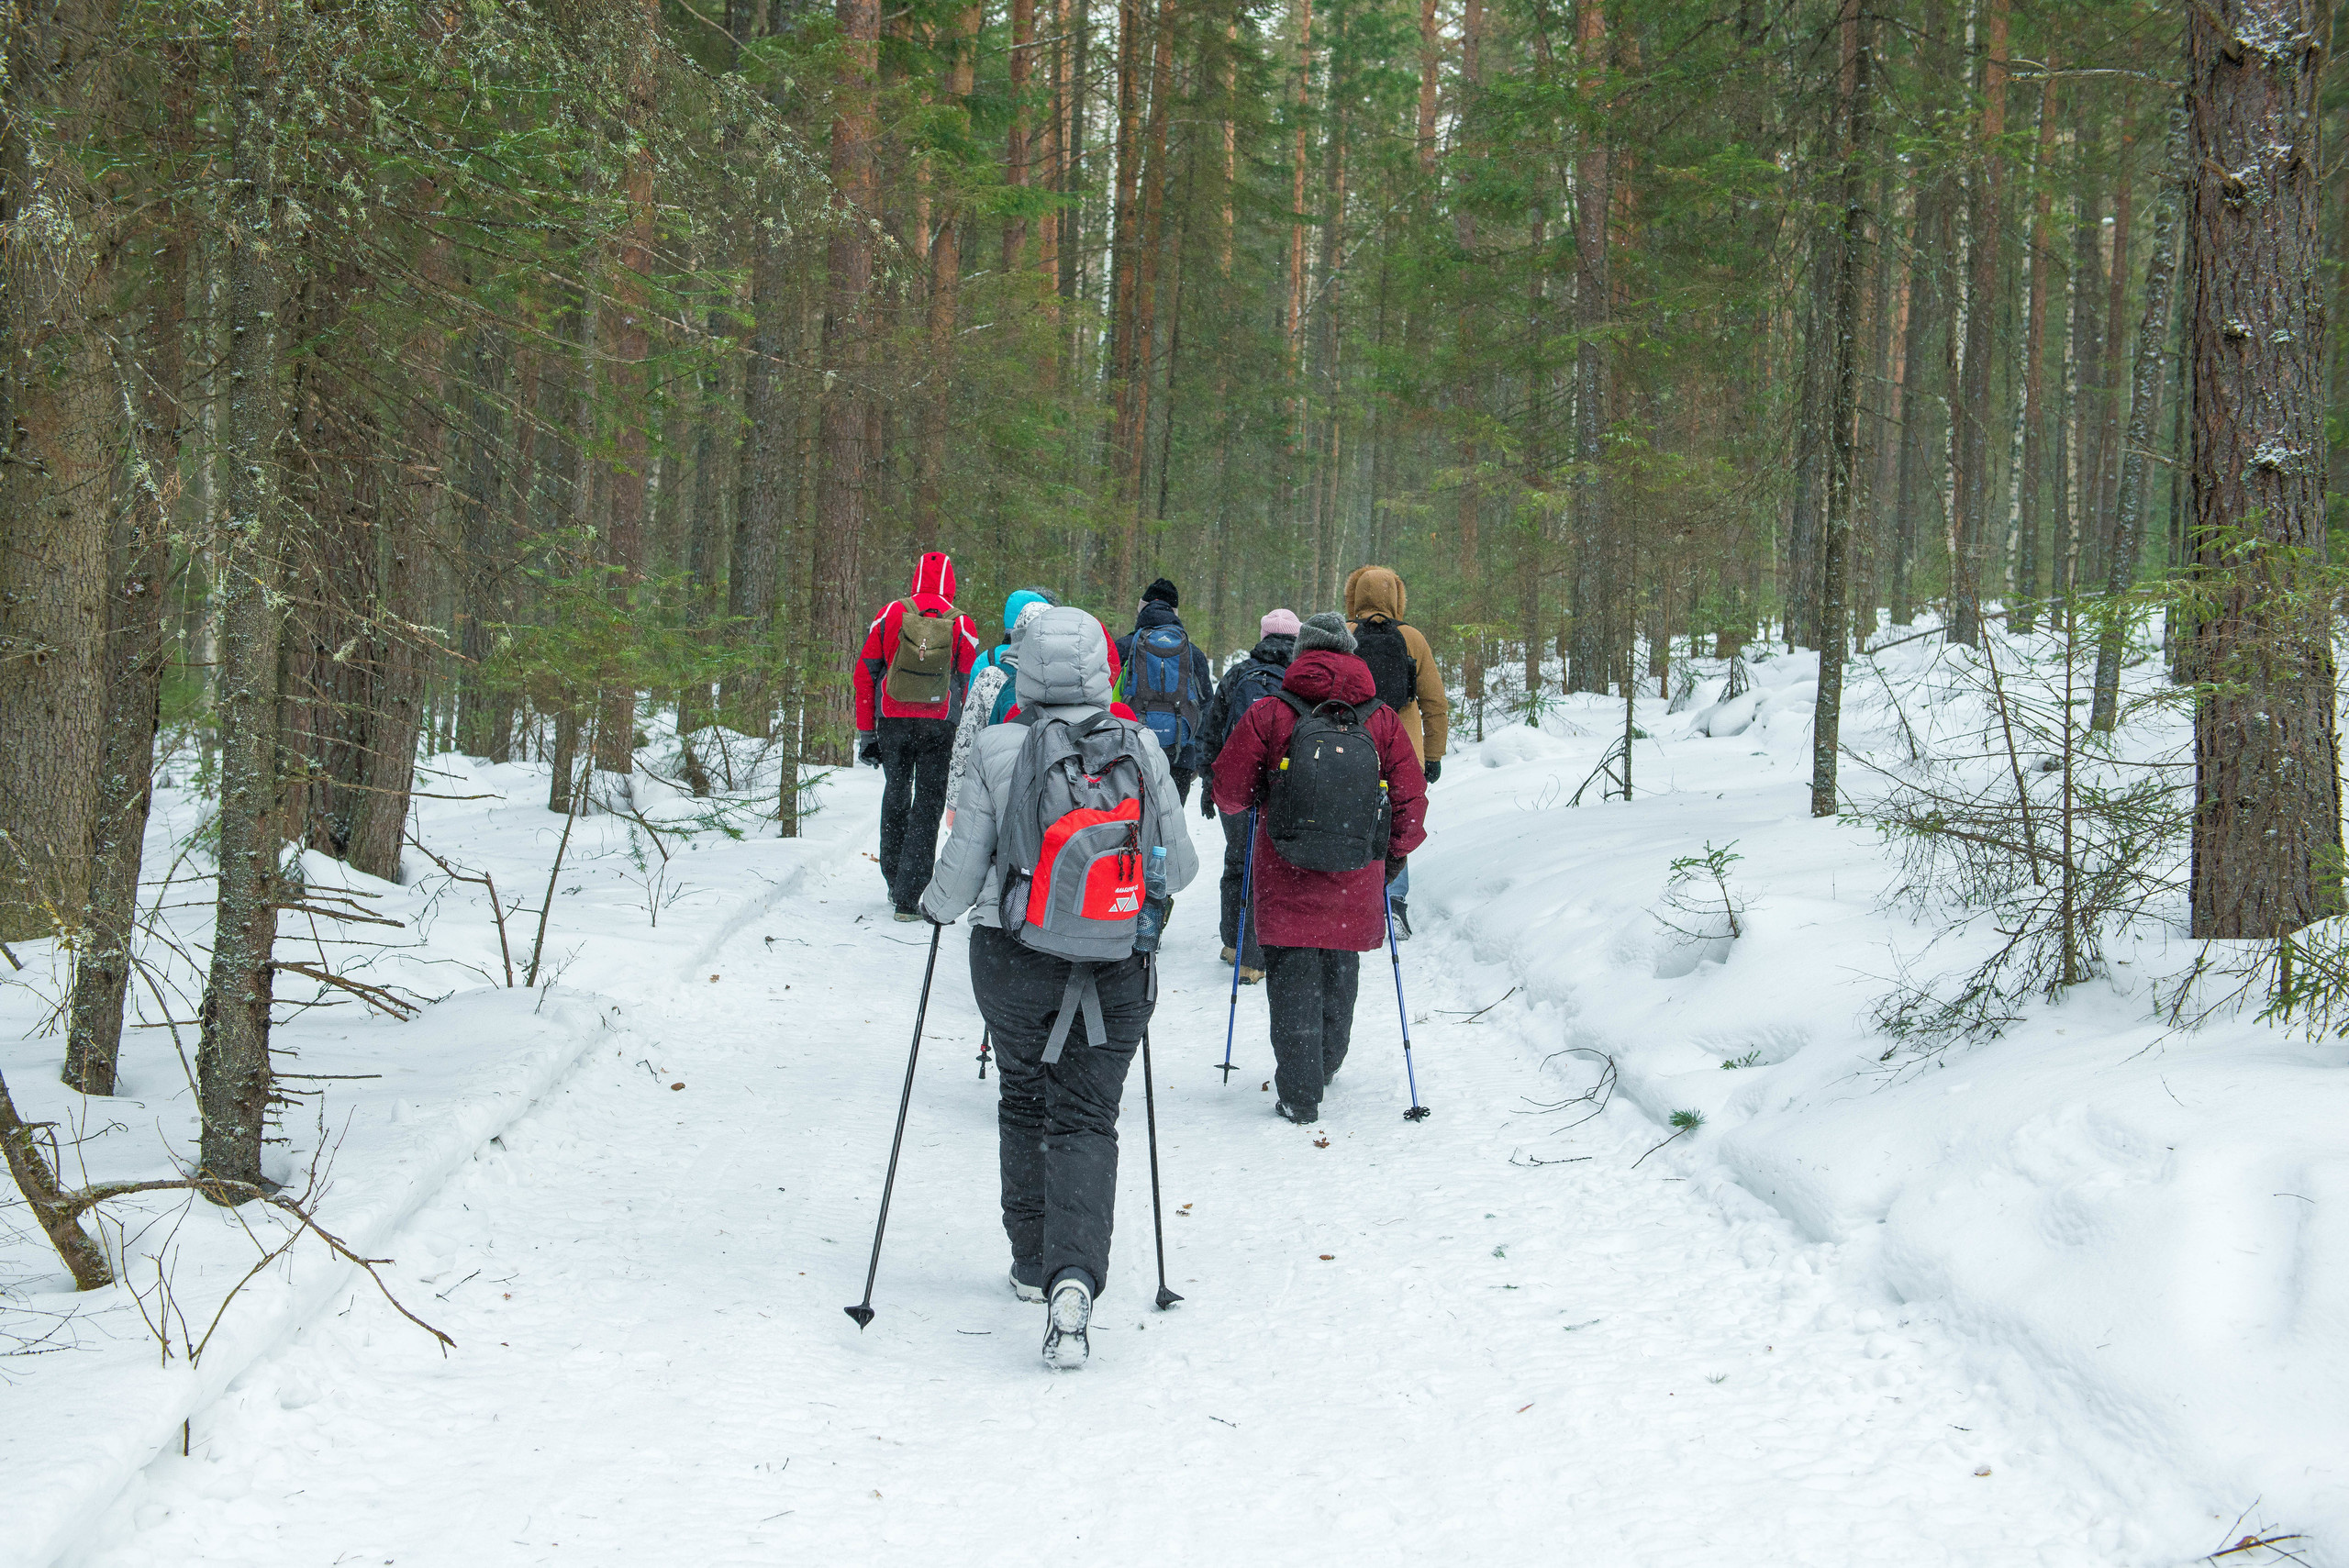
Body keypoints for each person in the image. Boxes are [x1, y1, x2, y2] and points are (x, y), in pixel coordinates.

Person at [919, 606, 1198, 1370]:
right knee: (1086, 1116)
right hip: (1115, 964)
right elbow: (1185, 864)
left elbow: (965, 867)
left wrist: (934, 905)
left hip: (1014, 959)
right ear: (1104, 668)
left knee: (1022, 1096)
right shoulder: (1139, 745)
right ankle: (1073, 1279)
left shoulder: (999, 746)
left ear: (1026, 669)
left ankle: (1029, 1259)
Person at [1211, 613, 1426, 1126]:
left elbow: (1229, 790)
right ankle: (1326, 1063)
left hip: (1285, 867)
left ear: (1300, 653)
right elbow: (1410, 798)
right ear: (1351, 654)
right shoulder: (1380, 719)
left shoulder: (1272, 712)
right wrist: (1393, 855)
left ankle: (1301, 1093)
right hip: (1356, 872)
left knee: (1291, 973)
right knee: (1339, 961)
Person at [853, 552, 980, 919]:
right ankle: (910, 896)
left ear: (917, 576)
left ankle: (893, 880)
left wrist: (866, 731)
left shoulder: (890, 614)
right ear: (950, 582)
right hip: (939, 725)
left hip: (892, 719)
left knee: (896, 791)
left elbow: (866, 674)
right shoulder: (962, 624)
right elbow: (967, 682)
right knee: (927, 803)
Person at [1343, 565, 1451, 939]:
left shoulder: (1347, 634)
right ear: (1397, 597)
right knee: (1398, 822)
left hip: (1355, 743)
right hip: (1403, 749)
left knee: (1352, 818)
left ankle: (1353, 896)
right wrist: (1433, 755)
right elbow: (1434, 703)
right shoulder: (1413, 639)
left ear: (1354, 596)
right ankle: (1394, 904)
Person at [1196, 607, 1299, 983]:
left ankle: (1232, 943)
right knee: (1268, 868)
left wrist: (1210, 785)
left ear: (1263, 635)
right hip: (1281, 788)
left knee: (1237, 861)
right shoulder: (1299, 678)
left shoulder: (1238, 674)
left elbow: (1212, 732)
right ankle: (1255, 960)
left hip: (1236, 788)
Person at [1113, 577, 1213, 803]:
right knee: (1169, 830)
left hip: (1128, 755)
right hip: (1179, 757)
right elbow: (1207, 706)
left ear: (1141, 609)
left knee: (1131, 829)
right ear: (1175, 613)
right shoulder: (1192, 653)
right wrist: (1196, 757)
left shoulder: (1122, 647)